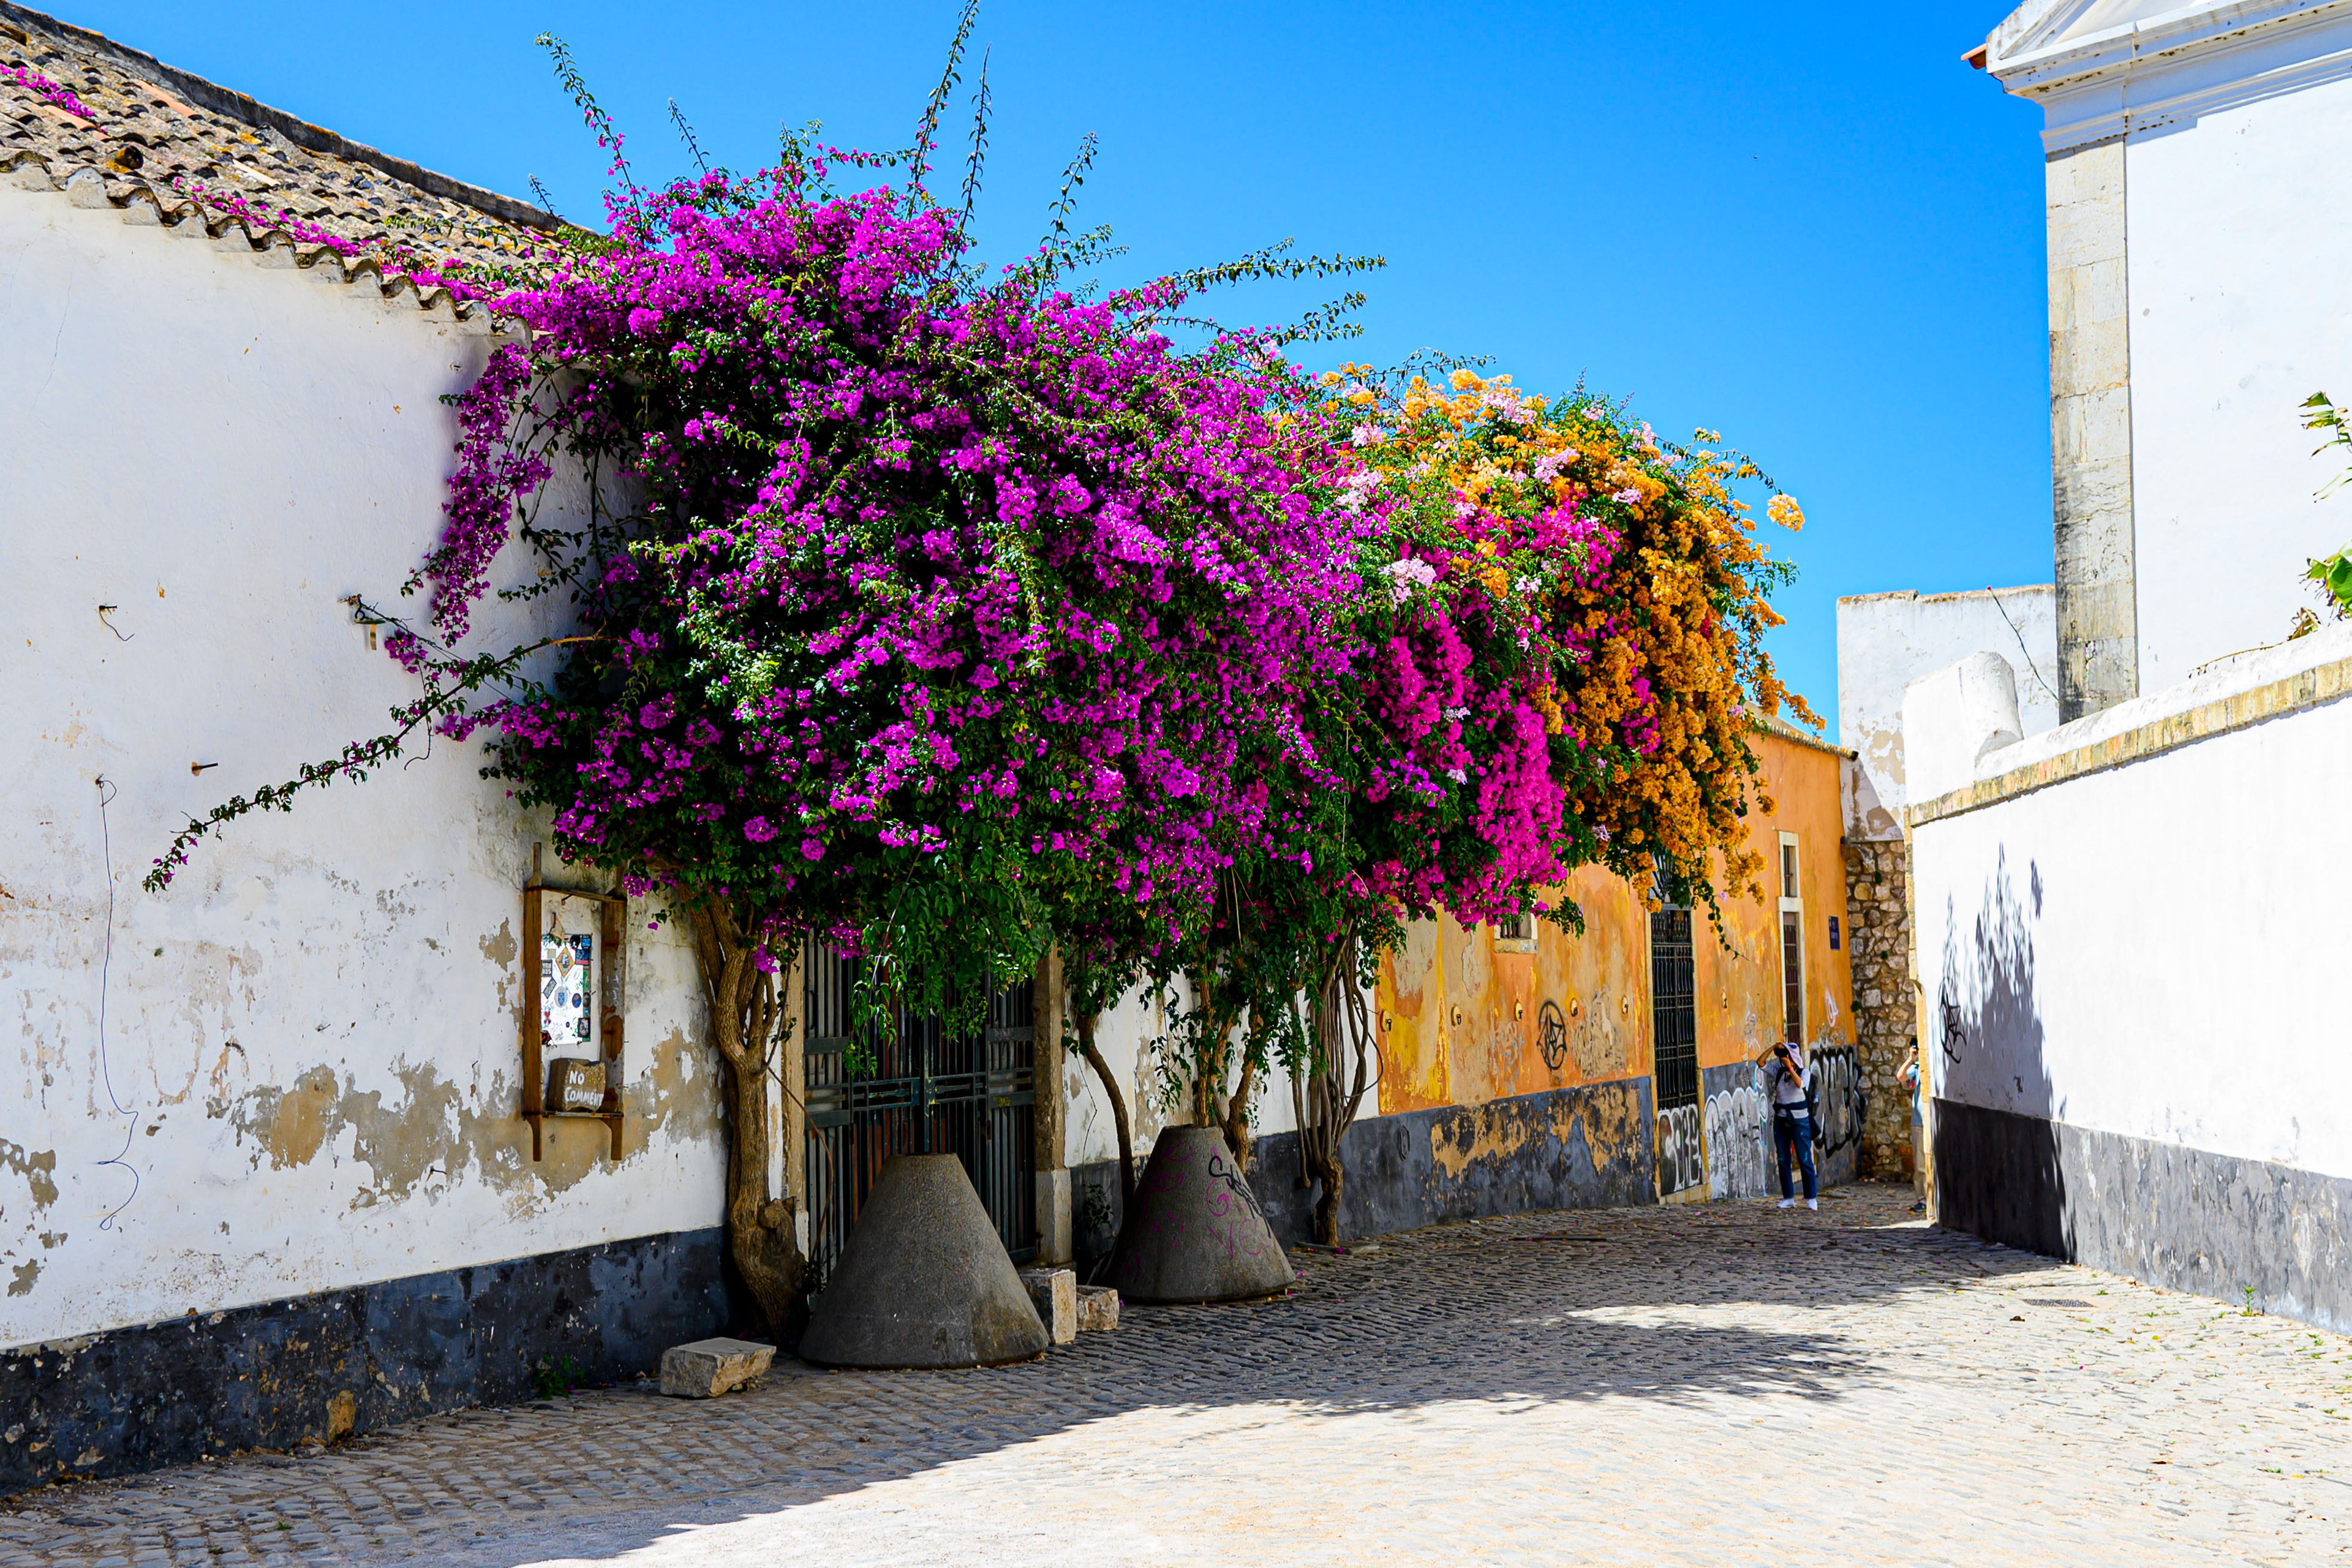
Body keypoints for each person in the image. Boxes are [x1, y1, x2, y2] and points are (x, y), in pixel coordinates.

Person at [1754, 1037, 1817, 1210]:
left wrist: (1790, 1066)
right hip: (1782, 1120)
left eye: (1787, 1054)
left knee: (1804, 1159)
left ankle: (1812, 1197)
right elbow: (1760, 1062)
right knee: (1783, 1159)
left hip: (1800, 1121)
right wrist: (1773, 1047)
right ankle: (1788, 1197)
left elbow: (1799, 1085)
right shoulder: (1779, 1073)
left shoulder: (1804, 1072)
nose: (1784, 1057)